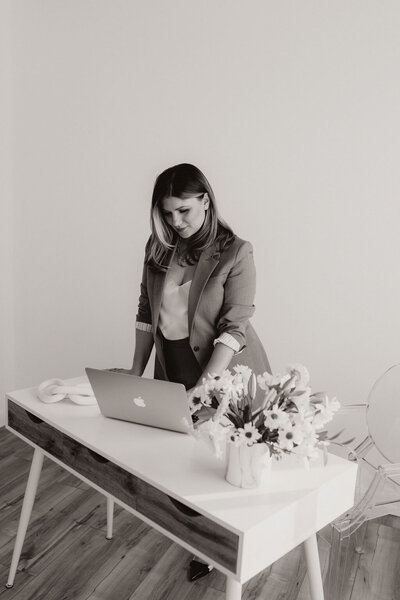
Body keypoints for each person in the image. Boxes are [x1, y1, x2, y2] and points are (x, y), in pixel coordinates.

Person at [120, 163, 271, 580]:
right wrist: (135, 369)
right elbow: (147, 314)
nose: (176, 222)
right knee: (184, 462)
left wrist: (205, 387)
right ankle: (199, 541)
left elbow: (233, 327)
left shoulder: (236, 252)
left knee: (224, 465)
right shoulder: (158, 250)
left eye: (183, 210)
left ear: (205, 200)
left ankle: (223, 552)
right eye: (167, 213)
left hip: (226, 371)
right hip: (173, 366)